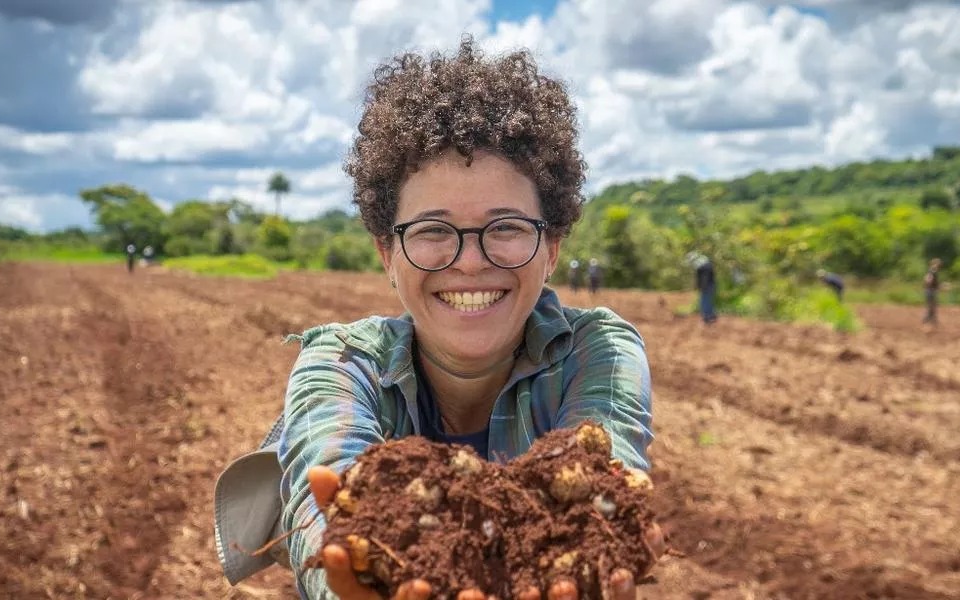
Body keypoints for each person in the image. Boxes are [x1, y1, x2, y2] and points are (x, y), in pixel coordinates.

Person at [213, 39, 660, 600]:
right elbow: (322, 499)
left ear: (551, 248)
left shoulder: (600, 350)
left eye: (505, 227)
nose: (470, 262)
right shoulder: (341, 362)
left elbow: (603, 475)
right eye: (431, 230)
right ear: (387, 254)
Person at [694, 254, 717, 324]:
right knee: (708, 301)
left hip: (707, 287)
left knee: (705, 302)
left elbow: (704, 279)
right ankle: (711, 315)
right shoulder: (708, 267)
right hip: (710, 286)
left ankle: (707, 317)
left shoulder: (704, 269)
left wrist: (702, 287)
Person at [923, 257, 942, 326]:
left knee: (932, 305)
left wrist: (939, 286)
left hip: (930, 290)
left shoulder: (932, 271)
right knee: (932, 305)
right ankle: (929, 319)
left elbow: (932, 281)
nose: (939, 266)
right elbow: (928, 280)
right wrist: (937, 286)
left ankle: (929, 319)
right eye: (938, 264)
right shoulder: (932, 271)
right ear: (934, 264)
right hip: (930, 291)